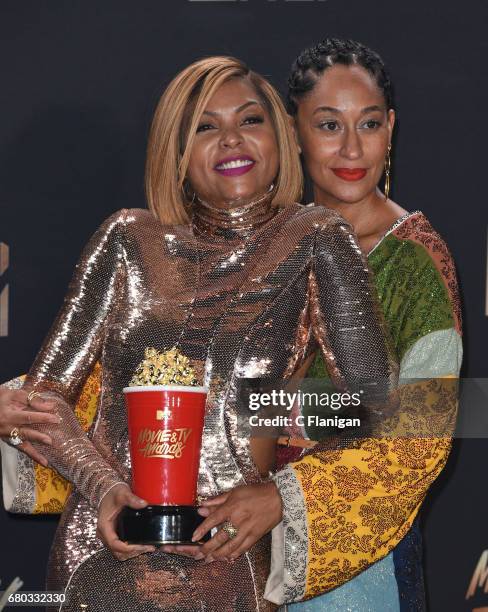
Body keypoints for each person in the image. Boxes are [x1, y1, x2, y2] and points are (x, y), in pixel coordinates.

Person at [0, 56, 396, 611]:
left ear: (279, 136)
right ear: (177, 151)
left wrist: (277, 484)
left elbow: (376, 407)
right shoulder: (126, 239)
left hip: (225, 554)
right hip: (102, 545)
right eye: (205, 127)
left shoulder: (315, 238)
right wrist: (105, 489)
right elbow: (43, 404)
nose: (231, 140)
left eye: (249, 120)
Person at [271, 38, 461, 610]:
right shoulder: (270, 244)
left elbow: (418, 436)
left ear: (391, 127)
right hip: (244, 553)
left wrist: (281, 417)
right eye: (329, 125)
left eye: (369, 123)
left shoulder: (416, 260)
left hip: (364, 565)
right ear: (293, 129)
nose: (352, 147)